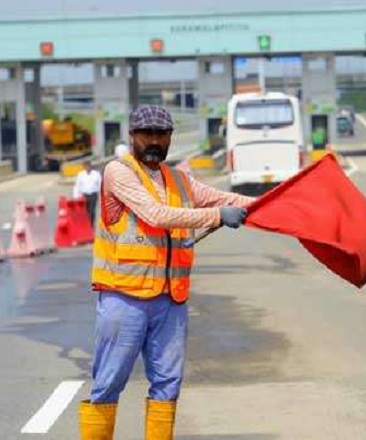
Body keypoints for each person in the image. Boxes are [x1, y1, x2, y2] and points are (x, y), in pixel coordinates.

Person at [78, 105, 255, 440]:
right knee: (109, 382)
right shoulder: (119, 172)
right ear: (132, 136)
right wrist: (218, 216)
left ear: (171, 137)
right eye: (147, 134)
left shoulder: (179, 179)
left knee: (168, 384)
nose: (154, 140)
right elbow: (156, 215)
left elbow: (222, 198)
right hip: (124, 297)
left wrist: (270, 203)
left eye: (162, 134)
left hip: (170, 299)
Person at [73, 160, 102, 227]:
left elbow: (100, 185)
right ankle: (85, 225)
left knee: (92, 211)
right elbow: (77, 185)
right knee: (85, 211)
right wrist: (76, 196)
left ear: (91, 166)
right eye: (86, 166)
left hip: (93, 195)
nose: (88, 167)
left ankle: (91, 225)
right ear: (84, 167)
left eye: (89, 166)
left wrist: (101, 196)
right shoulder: (81, 174)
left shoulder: (96, 174)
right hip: (84, 195)